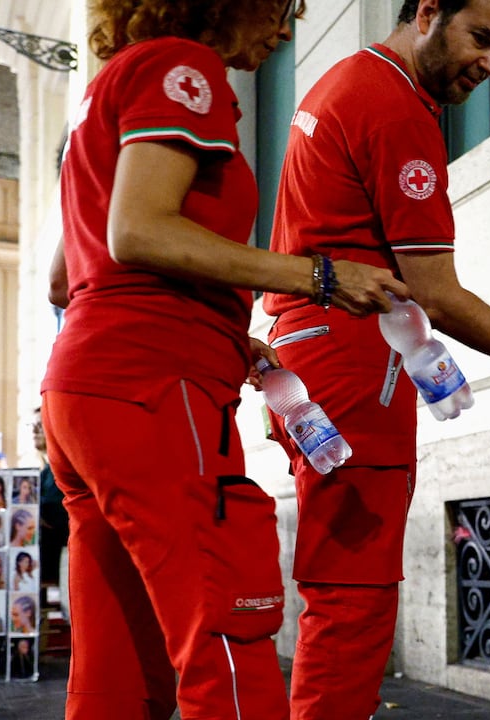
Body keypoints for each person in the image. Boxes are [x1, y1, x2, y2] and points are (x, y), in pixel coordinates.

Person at [261, 1, 490, 717]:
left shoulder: (342, 79)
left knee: (339, 588)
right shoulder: (397, 109)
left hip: (305, 351)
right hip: (349, 362)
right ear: (429, 10)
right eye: (482, 38)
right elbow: (437, 292)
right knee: (354, 597)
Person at [40, 1, 411, 718]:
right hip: (152, 388)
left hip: (86, 395)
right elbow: (139, 231)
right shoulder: (184, 67)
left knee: (119, 666)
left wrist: (221, 324)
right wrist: (321, 276)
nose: (284, 27)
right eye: (276, 5)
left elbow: (68, 277)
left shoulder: (107, 88)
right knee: (226, 635)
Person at [32, 408, 67, 595]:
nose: (35, 431)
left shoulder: (60, 468)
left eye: (40, 425)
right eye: (34, 425)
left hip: (56, 562)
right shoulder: (46, 470)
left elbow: (55, 515)